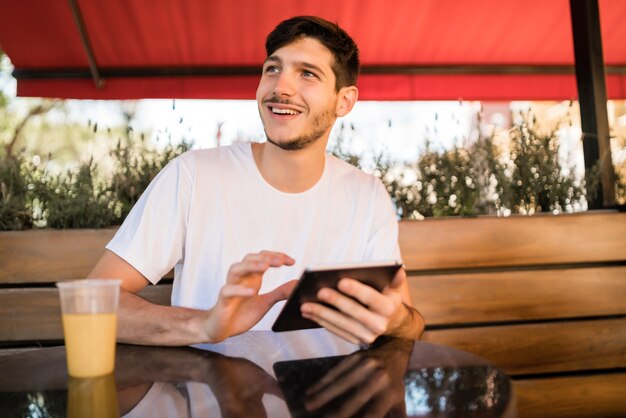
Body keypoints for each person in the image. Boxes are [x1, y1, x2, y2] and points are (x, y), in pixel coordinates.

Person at [89, 15, 425, 346]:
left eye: (307, 73)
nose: (281, 87)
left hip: (324, 397)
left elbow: (409, 324)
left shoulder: (367, 195)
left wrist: (397, 321)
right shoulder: (192, 176)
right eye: (273, 69)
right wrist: (205, 326)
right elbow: (94, 303)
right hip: (210, 395)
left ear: (344, 101)